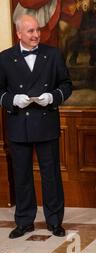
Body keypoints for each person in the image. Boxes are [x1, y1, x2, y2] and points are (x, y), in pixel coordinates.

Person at [0, 14, 72, 239]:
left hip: (46, 122)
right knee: (21, 176)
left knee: (51, 175)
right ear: (19, 34)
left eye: (37, 30)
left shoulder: (52, 55)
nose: (36, 35)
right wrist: (12, 100)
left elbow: (66, 85)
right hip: (18, 124)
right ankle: (24, 222)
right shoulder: (4, 58)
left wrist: (52, 97)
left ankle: (54, 221)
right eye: (30, 31)